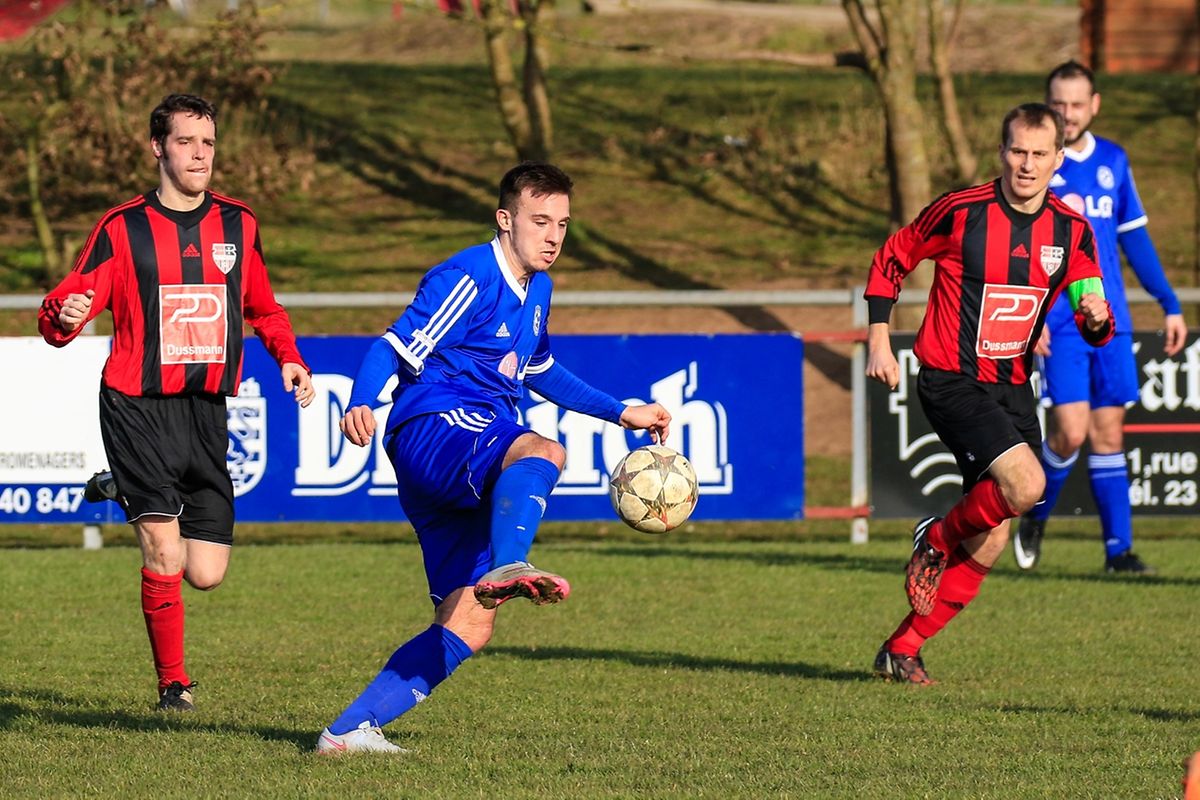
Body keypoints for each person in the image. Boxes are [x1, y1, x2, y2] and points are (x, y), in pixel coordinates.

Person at [315, 162, 672, 754]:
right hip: (435, 423)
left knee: (469, 624)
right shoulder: (470, 275)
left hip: (464, 449)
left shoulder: (541, 289)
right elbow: (394, 344)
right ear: (505, 220)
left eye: (562, 223)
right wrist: (360, 399)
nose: (553, 235)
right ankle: (511, 564)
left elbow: (540, 370)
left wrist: (621, 412)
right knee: (542, 449)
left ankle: (349, 731)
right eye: (540, 220)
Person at [38, 94, 315, 711]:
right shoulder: (121, 228)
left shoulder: (239, 225)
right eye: (186, 142)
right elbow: (59, 314)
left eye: (208, 143)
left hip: (205, 410)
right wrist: (68, 314)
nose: (199, 154)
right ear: (157, 148)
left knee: (206, 573)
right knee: (163, 550)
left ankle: (125, 487)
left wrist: (289, 358)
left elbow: (263, 307)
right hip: (136, 406)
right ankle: (173, 686)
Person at [864, 103, 1114, 684]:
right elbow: (891, 259)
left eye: (1039, 154)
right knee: (1026, 485)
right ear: (1002, 152)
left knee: (994, 534)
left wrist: (1097, 315)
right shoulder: (961, 211)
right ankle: (936, 536)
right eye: (1018, 151)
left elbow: (1091, 312)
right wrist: (879, 340)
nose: (1027, 165)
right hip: (951, 378)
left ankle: (901, 648)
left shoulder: (1072, 231)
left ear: (1058, 159)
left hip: (1012, 387)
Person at [1011, 61, 1188, 575]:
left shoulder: (1113, 159)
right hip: (1059, 321)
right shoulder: (1035, 164)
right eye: (1058, 103)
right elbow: (1015, 248)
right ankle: (1036, 511)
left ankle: (1118, 552)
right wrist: (1030, 317)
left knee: (1109, 434)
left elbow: (1134, 237)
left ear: (1094, 105)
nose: (1066, 113)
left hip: (1110, 319)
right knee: (1069, 431)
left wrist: (1169, 302)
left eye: (1076, 103)